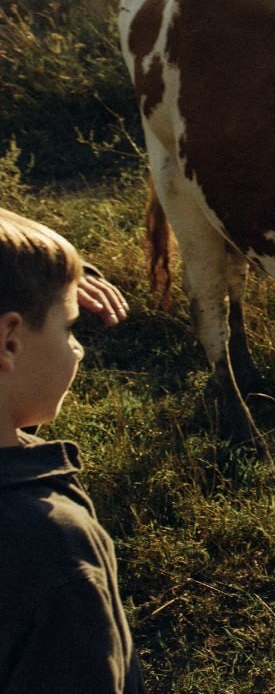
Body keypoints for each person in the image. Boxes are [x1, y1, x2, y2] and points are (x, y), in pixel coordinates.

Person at [0, 208, 145, 692]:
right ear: (9, 342)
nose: (78, 349)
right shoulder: (54, 554)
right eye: (69, 328)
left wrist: (35, 280)